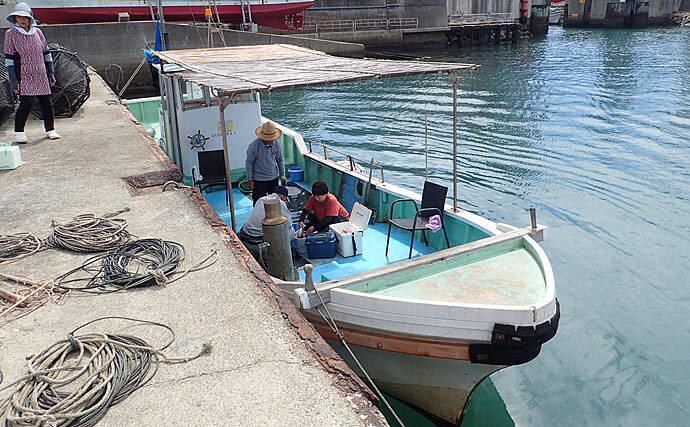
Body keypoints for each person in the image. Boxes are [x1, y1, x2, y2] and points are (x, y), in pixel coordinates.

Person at [4, 3, 59, 144]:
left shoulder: (38, 32)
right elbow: (9, 60)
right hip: (24, 75)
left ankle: (50, 130)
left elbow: (46, 54)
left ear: (30, 18)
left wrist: (50, 73)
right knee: (26, 104)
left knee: (46, 103)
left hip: (41, 73)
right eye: (18, 17)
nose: (22, 20)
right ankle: (19, 132)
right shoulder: (11, 34)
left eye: (25, 17)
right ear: (15, 18)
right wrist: (14, 81)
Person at [245, 121, 287, 205]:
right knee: (258, 203)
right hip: (259, 180)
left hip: (273, 178)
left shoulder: (276, 144)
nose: (269, 140)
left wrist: (282, 175)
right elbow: (249, 163)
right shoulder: (254, 146)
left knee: (274, 202)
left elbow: (280, 160)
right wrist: (250, 179)